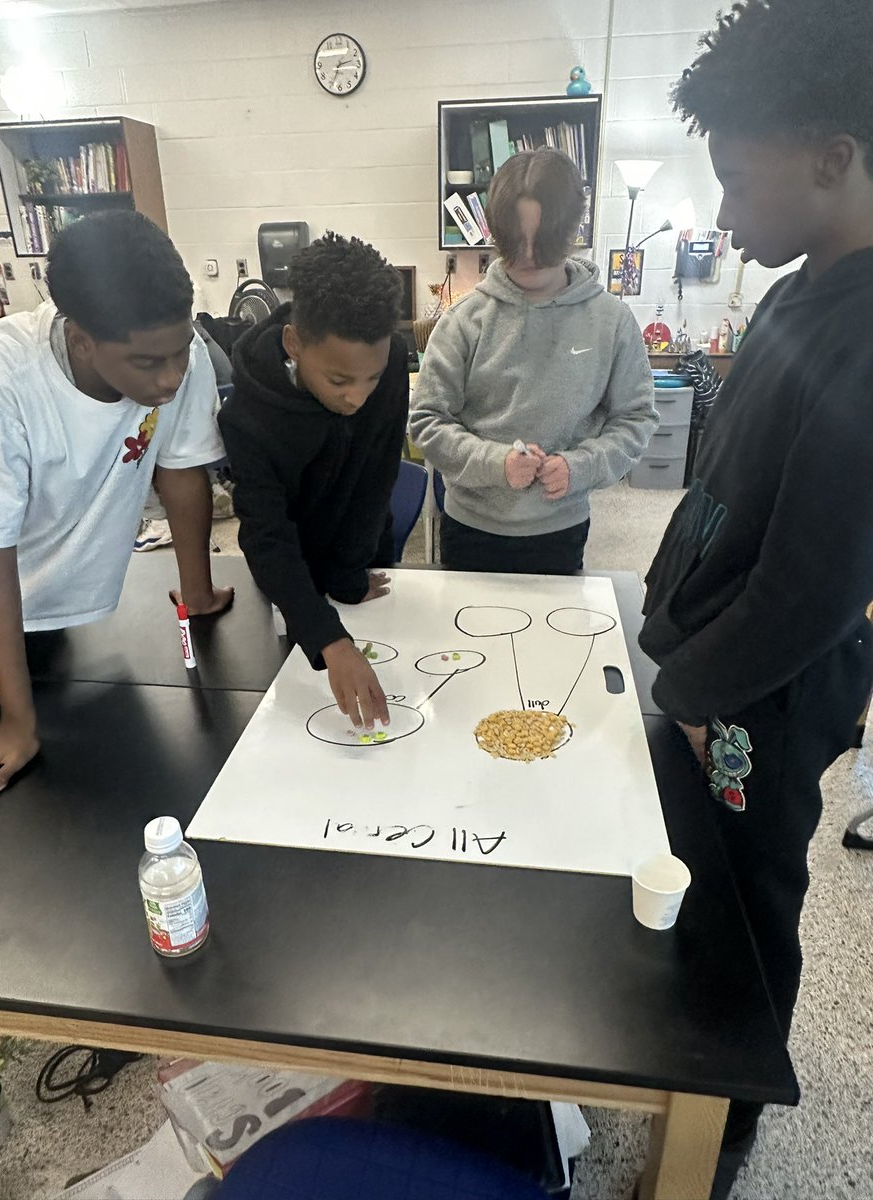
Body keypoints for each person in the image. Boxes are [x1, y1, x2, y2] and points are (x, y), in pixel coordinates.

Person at [637, 1, 873, 1195]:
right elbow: (728, 490)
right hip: (706, 670)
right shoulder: (799, 285)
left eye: (738, 179)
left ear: (834, 159)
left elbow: (808, 593)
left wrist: (688, 684)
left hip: (759, 701)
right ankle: (688, 1050)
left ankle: (725, 1114)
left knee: (750, 892)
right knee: (693, 862)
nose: (723, 214)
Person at [0, 210, 234, 794]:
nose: (171, 377)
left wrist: (197, 592)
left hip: (44, 623)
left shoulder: (173, 354)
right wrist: (16, 723)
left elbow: (182, 468)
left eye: (180, 352)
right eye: (148, 362)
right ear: (82, 340)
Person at [409, 148, 657, 575]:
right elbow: (427, 421)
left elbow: (635, 419)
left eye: (542, 242)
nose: (526, 256)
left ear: (572, 229)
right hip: (471, 528)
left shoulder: (611, 321)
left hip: (560, 529)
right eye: (513, 241)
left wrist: (582, 467)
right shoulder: (464, 321)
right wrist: (495, 463)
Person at [219, 232, 408, 731]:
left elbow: (377, 475)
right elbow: (265, 534)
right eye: (340, 381)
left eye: (373, 377)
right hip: (291, 571)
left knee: (394, 670)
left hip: (362, 552)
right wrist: (327, 635)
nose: (358, 397)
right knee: (297, 693)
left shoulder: (386, 371)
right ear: (294, 344)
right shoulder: (247, 416)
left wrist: (348, 576)